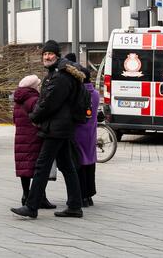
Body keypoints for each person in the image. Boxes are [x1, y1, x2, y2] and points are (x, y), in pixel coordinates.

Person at [12, 40, 84, 219]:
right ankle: (75, 206)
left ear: (57, 56)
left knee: (42, 165)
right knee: (67, 165)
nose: (47, 56)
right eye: (44, 54)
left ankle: (32, 206)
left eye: (50, 53)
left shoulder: (59, 77)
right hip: (62, 126)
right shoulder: (60, 73)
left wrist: (34, 116)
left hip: (56, 127)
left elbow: (49, 103)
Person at [12, 75, 56, 210]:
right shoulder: (34, 99)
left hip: (21, 138)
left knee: (24, 167)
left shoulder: (18, 100)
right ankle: (41, 197)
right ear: (33, 87)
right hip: (34, 137)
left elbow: (15, 119)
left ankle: (25, 195)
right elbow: (40, 117)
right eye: (37, 84)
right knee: (39, 168)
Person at [73, 66, 100, 207]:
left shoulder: (78, 94)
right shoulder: (95, 94)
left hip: (78, 133)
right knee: (90, 164)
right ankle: (89, 195)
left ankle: (82, 196)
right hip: (91, 133)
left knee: (80, 165)